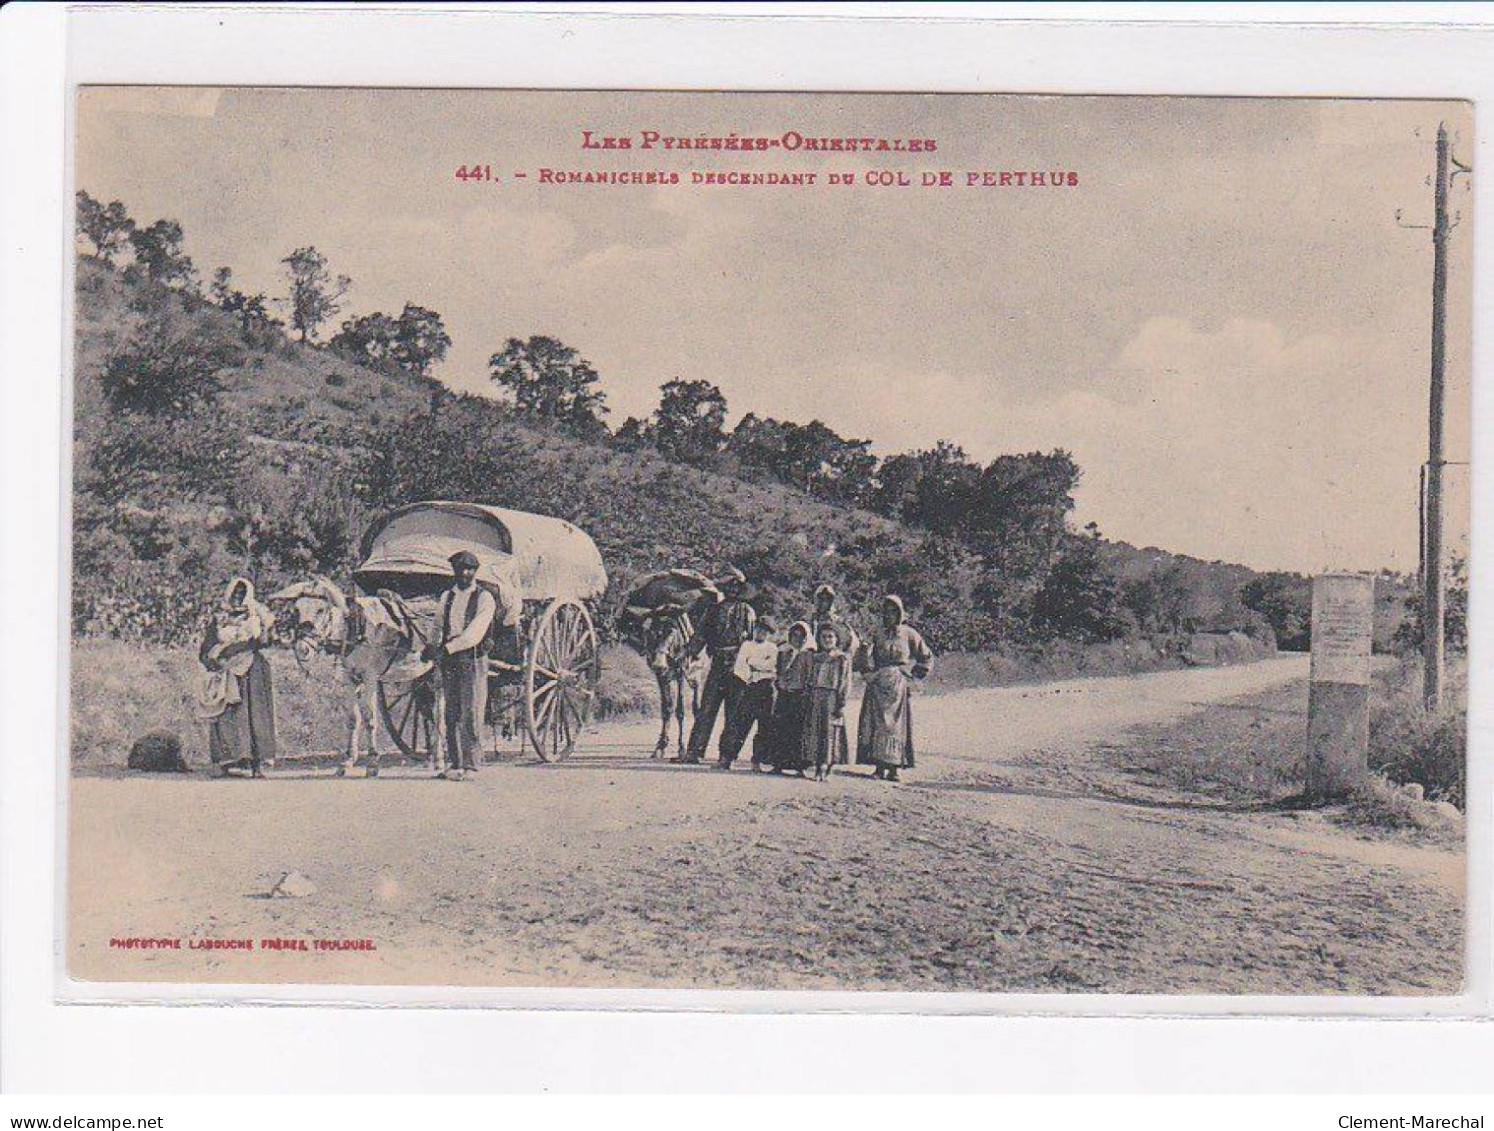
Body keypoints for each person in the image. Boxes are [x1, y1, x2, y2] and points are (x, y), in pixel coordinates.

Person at [422, 550, 497, 781]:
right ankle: (455, 763)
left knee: (471, 711)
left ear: (475, 571)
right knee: (450, 712)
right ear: (454, 571)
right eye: (460, 569)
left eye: (469, 569)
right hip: (450, 659)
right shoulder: (448, 596)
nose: (465, 573)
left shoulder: (485, 598)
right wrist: (430, 646)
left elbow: (475, 632)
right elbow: (437, 624)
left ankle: (471, 765)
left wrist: (448, 648)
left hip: (472, 658)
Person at [195, 577, 278, 778]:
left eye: (243, 594)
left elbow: (264, 641)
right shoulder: (220, 619)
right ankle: (226, 761)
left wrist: (264, 626)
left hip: (252, 671)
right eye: (235, 594)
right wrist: (213, 661)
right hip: (226, 670)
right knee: (226, 715)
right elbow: (206, 647)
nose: (238, 598)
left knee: (253, 714)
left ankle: (256, 763)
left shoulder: (255, 617)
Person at [679, 567, 756, 765]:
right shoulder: (713, 610)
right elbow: (701, 635)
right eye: (729, 585)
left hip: (739, 666)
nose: (732, 589)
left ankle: (726, 756)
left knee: (734, 712)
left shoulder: (747, 612)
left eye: (736, 586)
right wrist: (689, 652)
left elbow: (754, 641)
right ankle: (694, 751)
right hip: (717, 663)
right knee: (707, 709)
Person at [855, 594, 933, 782]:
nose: (889, 615)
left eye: (893, 612)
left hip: (898, 684)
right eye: (886, 612)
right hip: (878, 683)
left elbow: (926, 656)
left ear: (900, 613)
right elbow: (864, 656)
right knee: (877, 724)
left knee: (896, 726)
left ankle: (894, 768)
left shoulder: (909, 634)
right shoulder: (878, 633)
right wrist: (867, 671)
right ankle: (879, 767)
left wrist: (914, 676)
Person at [720, 616, 779, 771]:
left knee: (764, 726)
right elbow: (740, 666)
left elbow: (771, 666)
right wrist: (753, 671)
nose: (761, 633)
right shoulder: (746, 645)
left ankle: (756, 760)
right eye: (758, 629)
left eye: (765, 631)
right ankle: (730, 757)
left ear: (769, 634)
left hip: (767, 687)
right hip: (750, 686)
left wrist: (753, 663)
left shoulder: (772, 648)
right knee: (742, 724)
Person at [807, 583, 856, 764]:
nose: (824, 602)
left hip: (833, 664)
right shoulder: (810, 619)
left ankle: (829, 758)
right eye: (821, 599)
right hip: (814, 663)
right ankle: (810, 758)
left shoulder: (839, 621)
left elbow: (852, 642)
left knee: (831, 718)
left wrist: (841, 655)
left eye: (828, 599)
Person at [796, 621, 851, 780]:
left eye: (831, 637)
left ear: (836, 639)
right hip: (815, 696)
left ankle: (827, 767)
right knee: (815, 732)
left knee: (830, 732)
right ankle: (816, 766)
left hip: (832, 698)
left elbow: (845, 682)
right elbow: (808, 678)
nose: (827, 640)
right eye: (824, 637)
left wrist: (841, 703)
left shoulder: (841, 659)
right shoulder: (815, 657)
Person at [767, 620, 813, 773]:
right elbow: (778, 670)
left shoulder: (808, 655)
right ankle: (778, 764)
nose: (797, 640)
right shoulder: (784, 652)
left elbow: (809, 676)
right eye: (794, 636)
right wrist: (779, 683)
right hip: (784, 694)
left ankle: (799, 767)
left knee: (797, 732)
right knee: (780, 729)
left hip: (799, 695)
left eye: (801, 637)